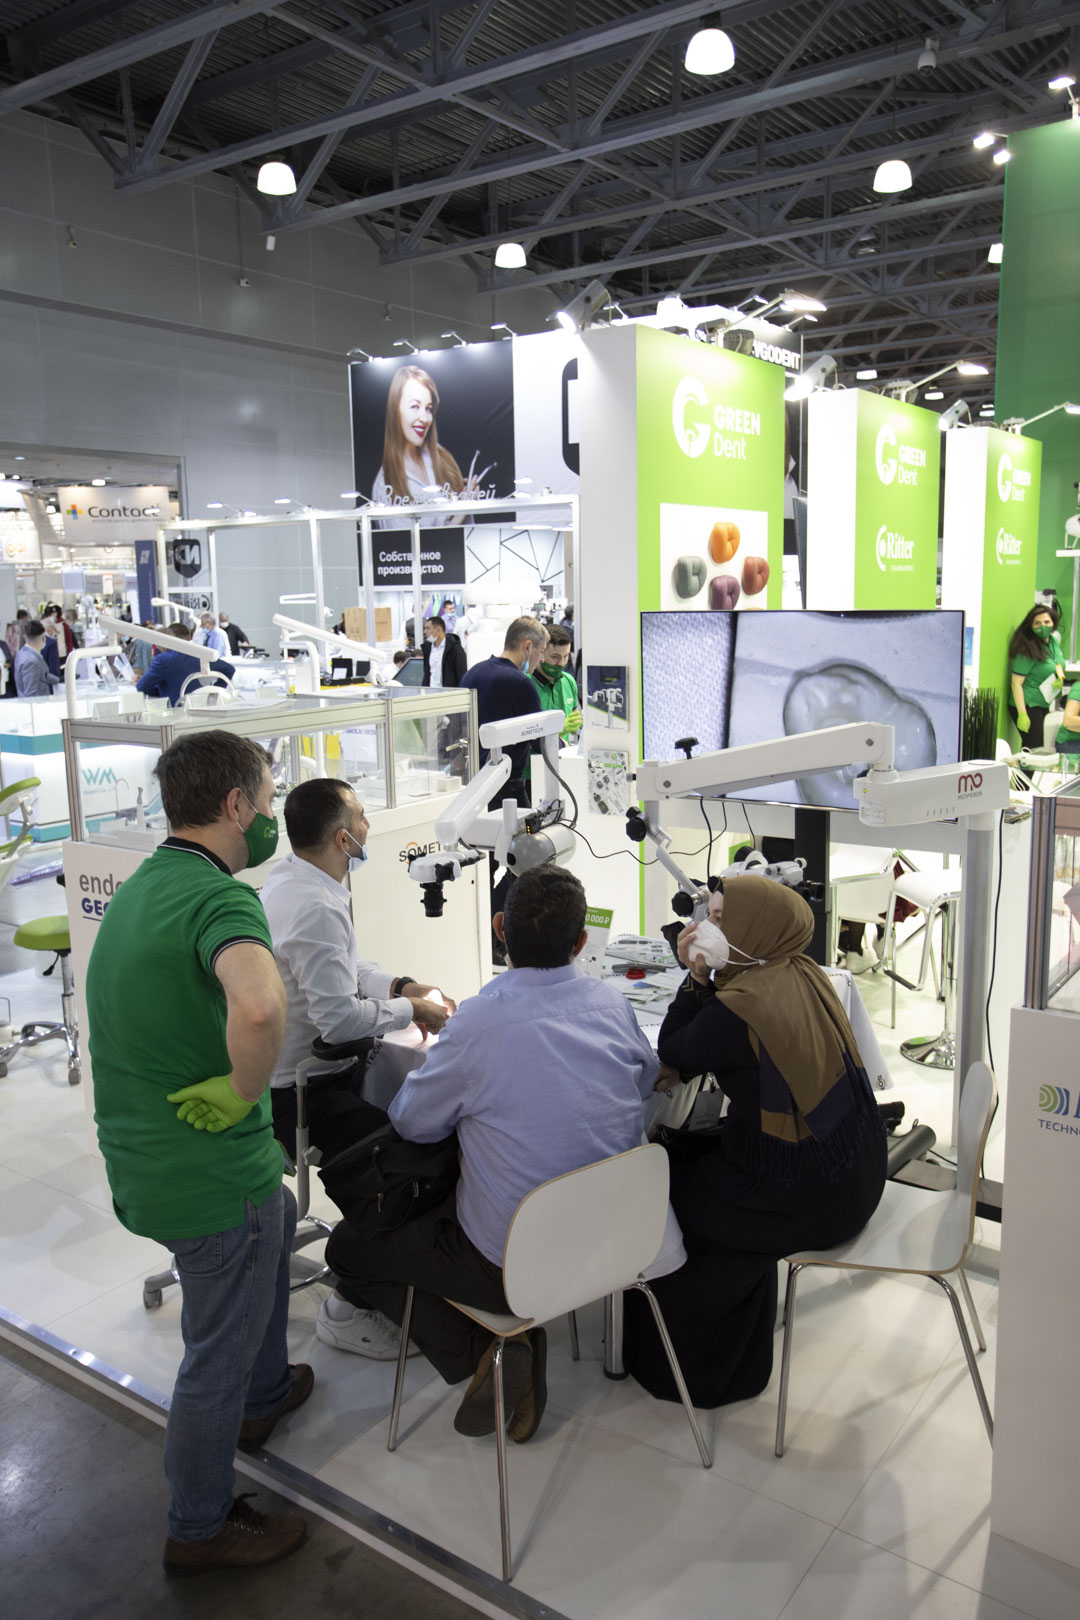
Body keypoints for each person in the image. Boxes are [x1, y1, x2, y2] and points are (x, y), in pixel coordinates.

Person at [326, 864, 661, 1443]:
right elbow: (644, 1080)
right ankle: (506, 1346)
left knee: (349, 1247)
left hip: (514, 1266)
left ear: (500, 928)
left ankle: (492, 1348)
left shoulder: (479, 1022)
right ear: (581, 942)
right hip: (622, 1243)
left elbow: (411, 1122)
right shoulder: (612, 1004)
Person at [85, 730, 312, 1574]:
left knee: (279, 1214)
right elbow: (259, 1009)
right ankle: (200, 1525)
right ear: (235, 805)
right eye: (268, 798)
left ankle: (265, 1393)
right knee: (213, 1354)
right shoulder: (223, 900)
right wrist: (246, 1091)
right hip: (210, 1177)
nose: (272, 814)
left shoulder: (146, 885)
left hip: (141, 1157)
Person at [623, 875, 887, 1410]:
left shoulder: (742, 1006)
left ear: (755, 929)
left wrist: (696, 975)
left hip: (810, 1197)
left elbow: (675, 1047)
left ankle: (678, 1360)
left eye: (722, 919)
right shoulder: (802, 972)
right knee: (689, 1156)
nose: (706, 926)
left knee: (657, 1187)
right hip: (854, 1169)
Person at [260, 777, 452, 1359]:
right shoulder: (315, 905)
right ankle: (348, 1306)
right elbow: (340, 1021)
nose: (369, 825)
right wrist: (415, 1010)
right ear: (344, 839)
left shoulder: (294, 879)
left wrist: (400, 986)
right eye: (363, 818)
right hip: (301, 1093)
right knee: (406, 1170)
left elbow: (342, 965)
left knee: (409, 1116)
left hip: (305, 1074)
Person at [460, 615, 547, 960]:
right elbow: (542, 742)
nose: (539, 661)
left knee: (483, 867)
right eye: (540, 653)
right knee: (522, 863)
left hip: (473, 790)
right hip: (510, 791)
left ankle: (485, 937)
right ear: (527, 646)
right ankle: (506, 938)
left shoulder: (473, 674)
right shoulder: (521, 684)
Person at [371, 364, 477, 525]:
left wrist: (470, 501)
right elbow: (407, 541)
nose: (425, 418)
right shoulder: (385, 484)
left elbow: (469, 530)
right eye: (415, 406)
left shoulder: (443, 459)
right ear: (395, 410)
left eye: (428, 409)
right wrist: (463, 510)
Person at [136, 621, 234, 707]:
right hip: (204, 709)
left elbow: (142, 687)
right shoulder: (201, 654)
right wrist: (214, 691)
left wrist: (160, 692)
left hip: (177, 710)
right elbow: (229, 669)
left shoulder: (163, 660)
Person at [1009, 603, 1064, 746]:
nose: (1043, 626)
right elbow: (1016, 683)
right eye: (1037, 623)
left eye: (1046, 622)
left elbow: (1057, 663)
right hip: (1027, 704)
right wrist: (1022, 714)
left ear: (1053, 622)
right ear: (1031, 626)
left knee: (1043, 746)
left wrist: (1059, 678)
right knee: (1033, 747)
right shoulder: (1027, 649)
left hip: (1043, 703)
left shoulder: (1053, 642)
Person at [530, 624, 582, 744]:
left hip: (562, 753)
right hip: (536, 755)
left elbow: (575, 720)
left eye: (566, 656)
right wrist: (559, 730)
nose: (562, 663)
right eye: (555, 657)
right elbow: (522, 737)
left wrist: (576, 726)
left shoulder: (569, 681)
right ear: (541, 652)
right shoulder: (526, 684)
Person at [14, 619, 62, 696]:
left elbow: (43, 674)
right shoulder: (31, 661)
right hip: (38, 702)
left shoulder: (22, 653)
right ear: (43, 638)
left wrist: (59, 680)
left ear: (25, 637)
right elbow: (31, 694)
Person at [421, 615, 467, 688]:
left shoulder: (454, 649)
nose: (425, 632)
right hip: (430, 691)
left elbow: (462, 675)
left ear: (438, 629)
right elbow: (427, 673)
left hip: (447, 692)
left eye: (428, 628)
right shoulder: (427, 648)